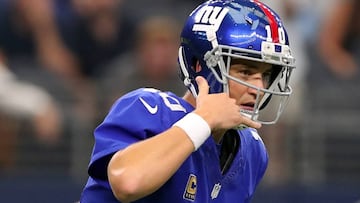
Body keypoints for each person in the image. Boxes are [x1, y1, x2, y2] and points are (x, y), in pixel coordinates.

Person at [80, 0, 296, 202]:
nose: (258, 88)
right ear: (199, 65)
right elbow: (127, 182)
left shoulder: (252, 150)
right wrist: (202, 121)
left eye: (265, 75)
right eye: (245, 72)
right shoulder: (151, 108)